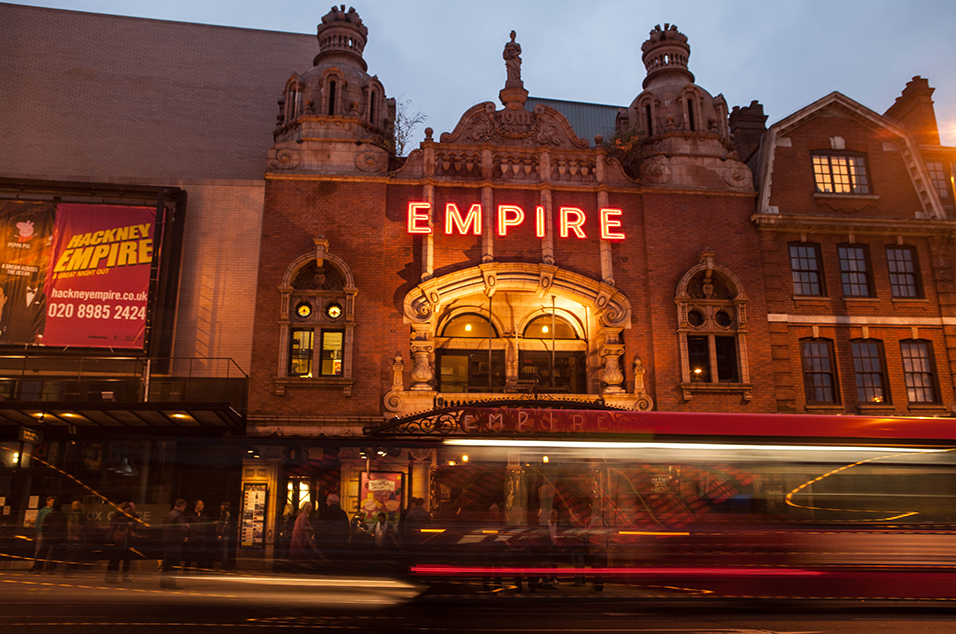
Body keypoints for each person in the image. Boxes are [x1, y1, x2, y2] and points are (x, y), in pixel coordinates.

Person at [105, 502, 138, 583]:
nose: (128, 511)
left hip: (123, 540)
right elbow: (115, 526)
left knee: (123, 559)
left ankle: (116, 577)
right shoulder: (118, 515)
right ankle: (111, 578)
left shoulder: (124, 516)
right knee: (115, 559)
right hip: (118, 540)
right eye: (127, 509)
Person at [160, 499, 188, 590]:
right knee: (174, 564)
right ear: (181, 506)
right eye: (184, 507)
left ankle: (163, 583)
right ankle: (171, 583)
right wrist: (186, 528)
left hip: (166, 541)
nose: (184, 509)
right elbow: (180, 529)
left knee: (166, 563)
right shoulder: (178, 516)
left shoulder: (168, 515)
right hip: (175, 543)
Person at [317, 494, 350, 559]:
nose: (326, 502)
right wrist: (344, 541)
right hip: (339, 544)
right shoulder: (342, 513)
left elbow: (318, 527)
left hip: (325, 543)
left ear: (330, 501)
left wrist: (318, 540)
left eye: (327, 501)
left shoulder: (324, 512)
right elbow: (346, 528)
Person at [29, 496, 56, 573]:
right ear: (47, 501)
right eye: (51, 501)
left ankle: (47, 565)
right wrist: (38, 530)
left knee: (49, 550)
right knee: (39, 549)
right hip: (42, 532)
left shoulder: (54, 511)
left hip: (50, 533)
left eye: (53, 501)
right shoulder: (42, 511)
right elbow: (37, 521)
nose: (52, 503)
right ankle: (37, 564)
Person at [184, 499, 209, 572]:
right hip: (193, 537)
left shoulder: (204, 516)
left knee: (201, 555)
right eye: (201, 505)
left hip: (201, 538)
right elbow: (187, 526)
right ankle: (186, 570)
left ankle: (199, 570)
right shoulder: (190, 515)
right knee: (189, 555)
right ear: (197, 505)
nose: (203, 506)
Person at [64, 500, 87, 576]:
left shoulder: (75, 515)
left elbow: (76, 525)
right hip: (80, 537)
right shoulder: (81, 515)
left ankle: (69, 570)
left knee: (73, 554)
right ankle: (72, 570)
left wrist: (73, 535)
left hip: (75, 536)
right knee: (76, 553)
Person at [215, 501, 234, 571]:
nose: (221, 507)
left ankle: (224, 566)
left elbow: (225, 525)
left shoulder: (226, 514)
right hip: (225, 534)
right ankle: (224, 566)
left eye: (222, 505)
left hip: (224, 535)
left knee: (224, 551)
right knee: (223, 551)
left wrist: (221, 534)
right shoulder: (225, 514)